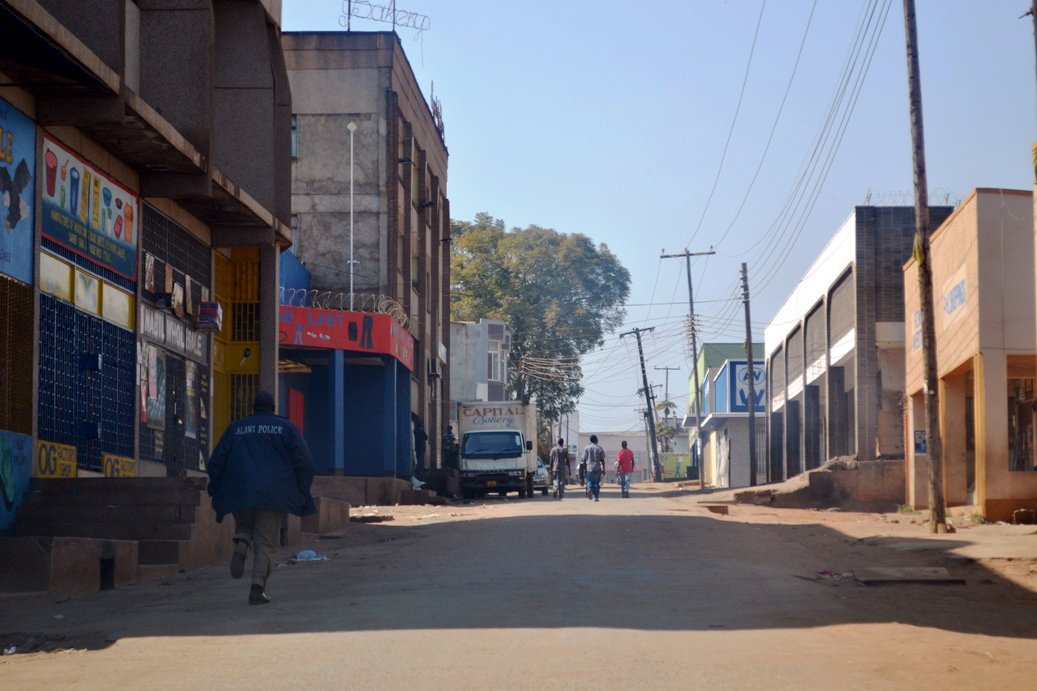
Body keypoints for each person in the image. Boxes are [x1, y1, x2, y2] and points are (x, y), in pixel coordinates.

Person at [207, 391, 316, 605]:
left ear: (253, 407)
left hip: (240, 491)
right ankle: (257, 588)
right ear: (273, 407)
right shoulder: (286, 428)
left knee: (246, 523)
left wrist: (216, 489)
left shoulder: (236, 428)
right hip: (273, 494)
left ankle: (242, 539)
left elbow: (216, 461)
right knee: (265, 543)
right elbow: (305, 462)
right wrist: (300, 489)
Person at [581, 434, 605, 501]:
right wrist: (604, 469)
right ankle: (596, 497)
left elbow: (584, 459)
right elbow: (602, 460)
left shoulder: (586, 448)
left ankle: (589, 490)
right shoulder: (599, 448)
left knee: (589, 481)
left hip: (589, 468)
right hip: (597, 468)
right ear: (595, 440)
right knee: (597, 483)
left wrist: (584, 469)